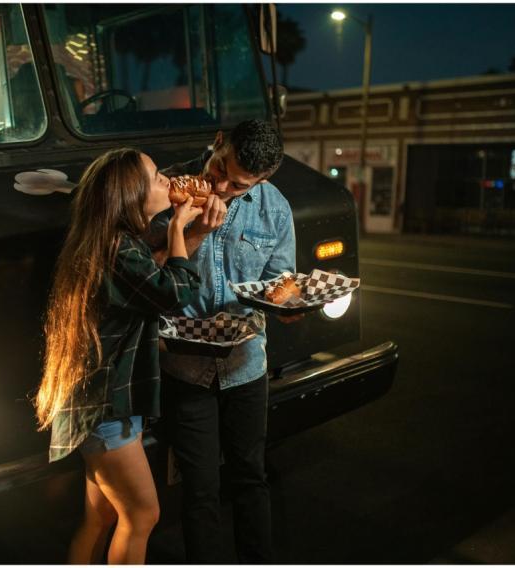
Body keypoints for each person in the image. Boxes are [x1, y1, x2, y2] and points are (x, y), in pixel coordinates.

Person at [35, 148, 203, 564]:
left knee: (104, 516)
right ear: (131, 195)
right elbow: (173, 292)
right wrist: (181, 226)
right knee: (143, 514)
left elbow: (155, 278)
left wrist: (184, 230)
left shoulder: (113, 242)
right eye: (156, 177)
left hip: (99, 403)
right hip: (105, 408)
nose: (168, 180)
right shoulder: (116, 249)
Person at [149, 119, 296, 563]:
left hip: (246, 362)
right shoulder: (167, 188)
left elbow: (280, 283)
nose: (223, 186)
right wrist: (194, 233)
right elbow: (145, 275)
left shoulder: (275, 210)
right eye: (221, 170)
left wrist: (289, 306)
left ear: (263, 180)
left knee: (251, 476)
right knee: (200, 489)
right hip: (185, 363)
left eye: (240, 184)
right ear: (217, 142)